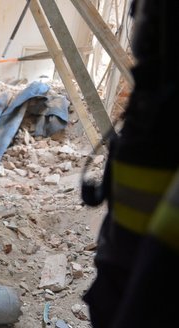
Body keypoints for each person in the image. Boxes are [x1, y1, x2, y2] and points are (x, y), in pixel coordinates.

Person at [82, 1, 179, 327]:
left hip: (146, 289)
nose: (137, 26)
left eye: (146, 16)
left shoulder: (167, 105)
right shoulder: (150, 96)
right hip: (119, 268)